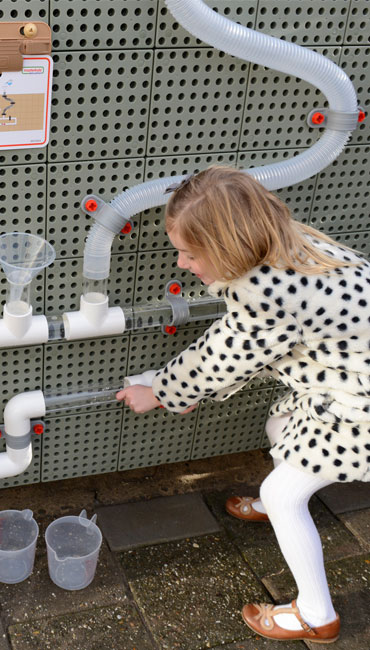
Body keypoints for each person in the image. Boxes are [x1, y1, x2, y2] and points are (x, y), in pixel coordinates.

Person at [117, 165, 370, 643]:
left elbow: (223, 357)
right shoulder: (286, 243)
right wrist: (181, 390)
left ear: (228, 248)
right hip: (347, 383)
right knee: (282, 429)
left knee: (284, 493)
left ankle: (317, 615)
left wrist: (162, 393)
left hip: (360, 406)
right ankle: (282, 502)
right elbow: (247, 349)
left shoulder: (266, 290)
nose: (181, 264)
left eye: (189, 254)